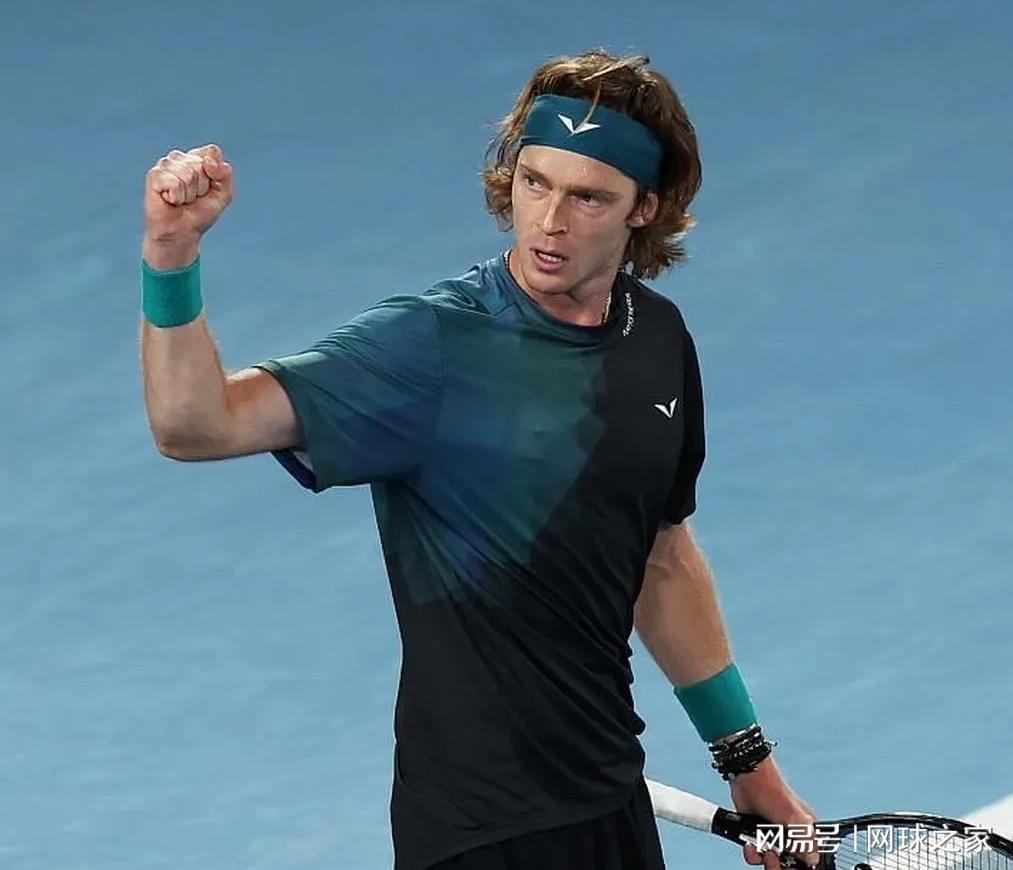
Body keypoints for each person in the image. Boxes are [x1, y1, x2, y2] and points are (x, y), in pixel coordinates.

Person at [139, 49, 816, 870]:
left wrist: (748, 764)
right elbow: (194, 425)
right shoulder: (430, 344)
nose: (550, 221)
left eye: (588, 197)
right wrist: (171, 254)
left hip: (608, 795)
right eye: (534, 182)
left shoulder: (657, 340)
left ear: (644, 207)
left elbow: (661, 559)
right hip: (476, 829)